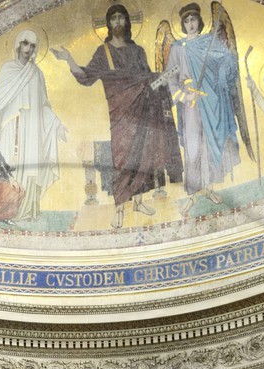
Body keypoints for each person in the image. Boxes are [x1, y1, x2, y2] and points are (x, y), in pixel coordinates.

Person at [53, 5, 182, 228]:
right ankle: (120, 209)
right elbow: (86, 77)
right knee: (122, 160)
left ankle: (139, 202)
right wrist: (69, 59)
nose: (118, 22)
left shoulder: (138, 50)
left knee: (143, 157)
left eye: (121, 17)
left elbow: (148, 80)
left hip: (143, 111)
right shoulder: (103, 52)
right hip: (121, 114)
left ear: (127, 22)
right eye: (113, 18)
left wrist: (166, 77)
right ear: (108, 24)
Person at [160, 3, 244, 205]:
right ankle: (192, 194)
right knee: (193, 146)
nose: (191, 24)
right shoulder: (178, 48)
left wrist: (223, 70)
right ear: (182, 24)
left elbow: (228, 59)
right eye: (187, 21)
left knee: (210, 144)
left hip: (212, 100)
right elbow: (169, 77)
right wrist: (183, 96)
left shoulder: (210, 41)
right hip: (191, 105)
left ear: (199, 20)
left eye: (194, 19)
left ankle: (209, 188)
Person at [0, 29, 67, 220]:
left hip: (31, 129)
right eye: (25, 43)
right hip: (10, 125)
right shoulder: (7, 68)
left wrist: (57, 123)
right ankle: (4, 210)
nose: (28, 48)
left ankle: (25, 212)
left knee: (30, 164)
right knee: (8, 161)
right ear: (18, 44)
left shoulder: (37, 74)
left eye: (32, 45)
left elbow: (43, 105)